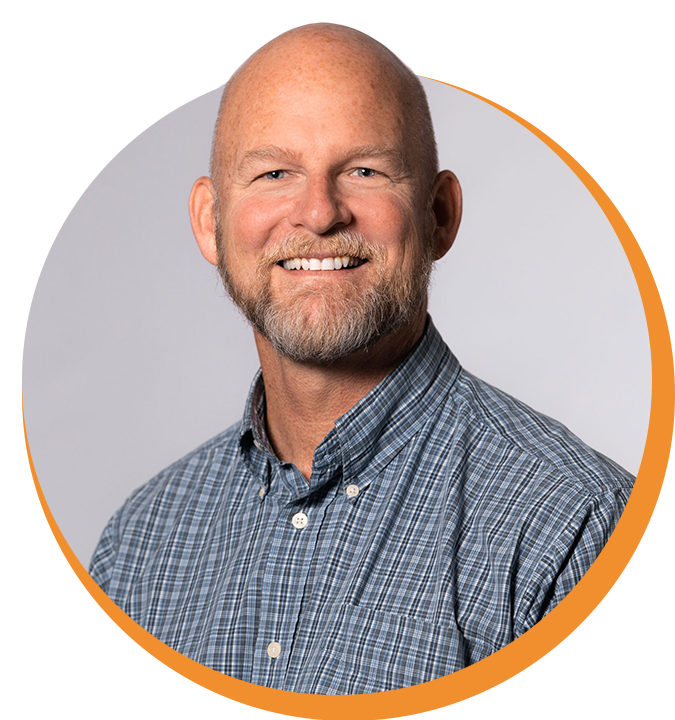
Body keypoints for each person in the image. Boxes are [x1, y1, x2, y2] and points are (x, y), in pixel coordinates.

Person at [47, 22, 675, 719]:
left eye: (365, 171)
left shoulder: (580, 536)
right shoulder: (140, 543)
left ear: (439, 215)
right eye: (273, 173)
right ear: (209, 222)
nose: (318, 213)